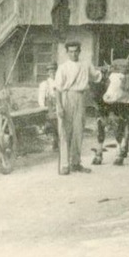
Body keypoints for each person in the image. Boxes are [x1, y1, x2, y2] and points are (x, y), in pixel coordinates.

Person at [54, 41, 102, 174]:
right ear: (67, 52)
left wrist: (105, 71)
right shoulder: (63, 67)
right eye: (71, 51)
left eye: (76, 51)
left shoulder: (86, 65)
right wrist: (59, 106)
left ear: (79, 51)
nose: (73, 54)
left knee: (78, 131)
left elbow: (96, 76)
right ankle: (64, 165)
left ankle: (76, 163)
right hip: (67, 97)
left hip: (81, 98)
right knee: (65, 131)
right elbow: (57, 88)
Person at [37, 63, 60, 151]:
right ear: (48, 73)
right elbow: (41, 97)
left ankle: (60, 143)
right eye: (51, 72)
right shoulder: (45, 84)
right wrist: (43, 107)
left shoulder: (59, 82)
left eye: (54, 71)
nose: (53, 73)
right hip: (49, 106)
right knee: (54, 123)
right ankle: (55, 142)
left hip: (58, 104)